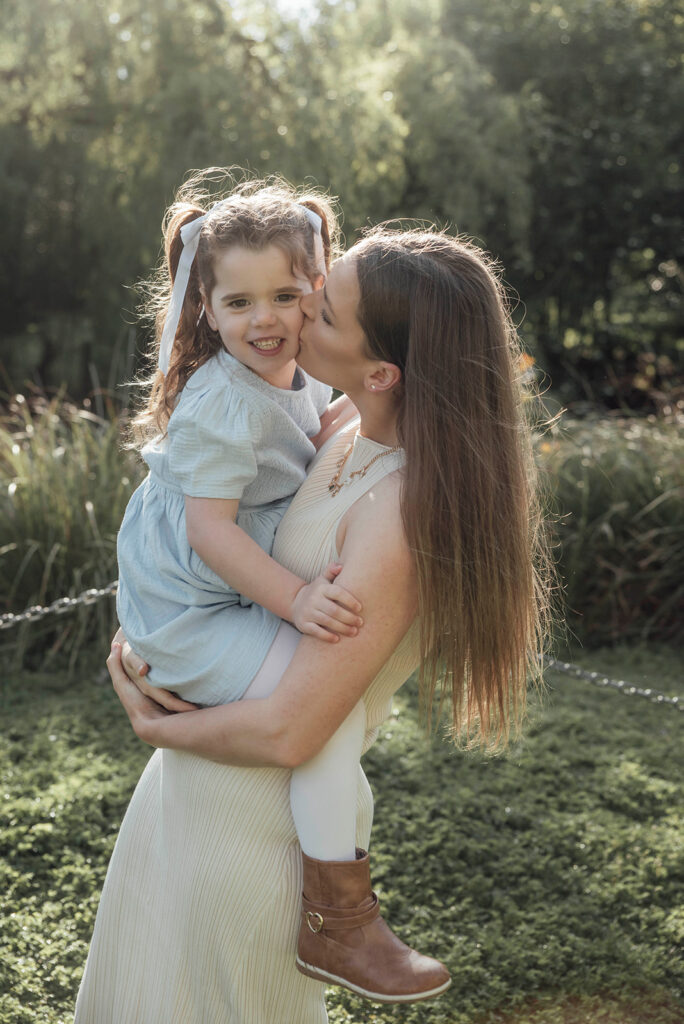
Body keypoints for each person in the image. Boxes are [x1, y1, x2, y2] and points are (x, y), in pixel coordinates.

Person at [76, 220, 548, 1024]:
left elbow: (295, 735)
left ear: (383, 371)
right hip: (188, 799)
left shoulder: (399, 514)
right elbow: (214, 526)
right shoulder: (339, 428)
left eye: (322, 308)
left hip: (252, 829)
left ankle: (346, 917)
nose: (300, 312)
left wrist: (157, 728)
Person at [112, 171, 445, 1003]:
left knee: (322, 724)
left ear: (315, 290)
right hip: (190, 608)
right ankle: (342, 916)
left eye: (292, 297)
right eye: (238, 304)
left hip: (209, 599)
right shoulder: (224, 402)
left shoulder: (300, 385)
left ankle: (340, 894)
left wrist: (337, 422)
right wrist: (295, 602)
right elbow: (208, 530)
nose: (266, 320)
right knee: (322, 727)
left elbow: (310, 435)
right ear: (206, 309)